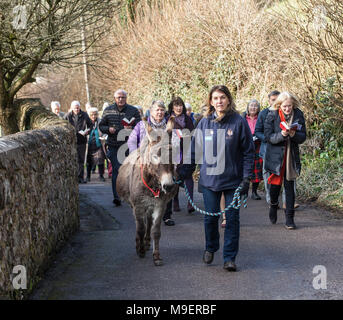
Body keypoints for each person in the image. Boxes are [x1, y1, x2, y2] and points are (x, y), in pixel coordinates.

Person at [178, 85, 255, 271]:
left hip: (233, 180)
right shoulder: (204, 123)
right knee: (210, 219)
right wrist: (184, 172)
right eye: (215, 98)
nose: (219, 101)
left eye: (222, 97)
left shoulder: (238, 122)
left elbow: (248, 152)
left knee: (232, 219)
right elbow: (194, 151)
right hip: (209, 181)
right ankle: (211, 247)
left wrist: (246, 178)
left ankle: (229, 257)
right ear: (211, 101)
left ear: (228, 99)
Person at [264, 91, 306, 229]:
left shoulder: (298, 114)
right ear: (279, 105)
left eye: (290, 106)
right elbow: (268, 137)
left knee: (289, 188)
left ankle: (290, 219)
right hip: (276, 157)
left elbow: (303, 137)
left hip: (291, 157)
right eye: (284, 106)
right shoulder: (272, 115)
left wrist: (293, 134)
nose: (287, 109)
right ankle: (273, 205)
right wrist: (281, 135)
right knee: (275, 188)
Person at [99, 89, 142, 206]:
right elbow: (101, 125)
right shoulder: (108, 111)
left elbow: (140, 127)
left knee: (131, 171)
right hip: (114, 145)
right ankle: (116, 196)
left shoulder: (133, 110)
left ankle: (129, 194)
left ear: (126, 98)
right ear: (114, 98)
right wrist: (109, 129)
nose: (121, 99)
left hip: (130, 146)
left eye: (123, 97)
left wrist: (132, 129)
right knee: (117, 170)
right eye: (119, 97)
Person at [167, 96, 195, 221]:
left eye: (180, 105)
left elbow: (192, 133)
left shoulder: (188, 119)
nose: (179, 107)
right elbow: (166, 135)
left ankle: (191, 203)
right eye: (176, 105)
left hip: (187, 150)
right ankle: (175, 200)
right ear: (172, 107)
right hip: (174, 151)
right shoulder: (169, 119)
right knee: (176, 177)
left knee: (188, 176)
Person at [255, 90, 280, 204]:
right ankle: (270, 200)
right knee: (267, 176)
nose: (275, 102)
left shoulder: (284, 112)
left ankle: (287, 201)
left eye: (277, 99)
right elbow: (257, 131)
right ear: (269, 100)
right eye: (273, 100)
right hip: (266, 149)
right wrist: (266, 138)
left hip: (281, 150)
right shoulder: (263, 113)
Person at [64, 100, 93, 183]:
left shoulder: (84, 115)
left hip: (82, 140)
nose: (76, 109)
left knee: (81, 159)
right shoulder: (68, 116)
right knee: (72, 159)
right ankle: (72, 177)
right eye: (75, 108)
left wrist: (88, 131)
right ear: (72, 108)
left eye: (78, 108)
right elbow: (63, 127)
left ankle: (80, 177)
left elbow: (90, 125)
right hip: (71, 140)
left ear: (80, 107)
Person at [242, 99, 263, 200]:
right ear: (248, 107)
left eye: (255, 106)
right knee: (245, 168)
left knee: (257, 169)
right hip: (245, 146)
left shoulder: (260, 118)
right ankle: (244, 191)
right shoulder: (242, 118)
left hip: (257, 145)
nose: (253, 108)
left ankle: (254, 192)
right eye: (251, 105)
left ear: (258, 108)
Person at [86, 107, 106, 182]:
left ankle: (101, 175)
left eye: (95, 114)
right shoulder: (87, 122)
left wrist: (104, 136)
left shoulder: (100, 121)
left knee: (100, 161)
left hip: (98, 144)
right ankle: (88, 176)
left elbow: (104, 130)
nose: (93, 116)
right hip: (89, 144)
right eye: (92, 115)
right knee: (89, 161)